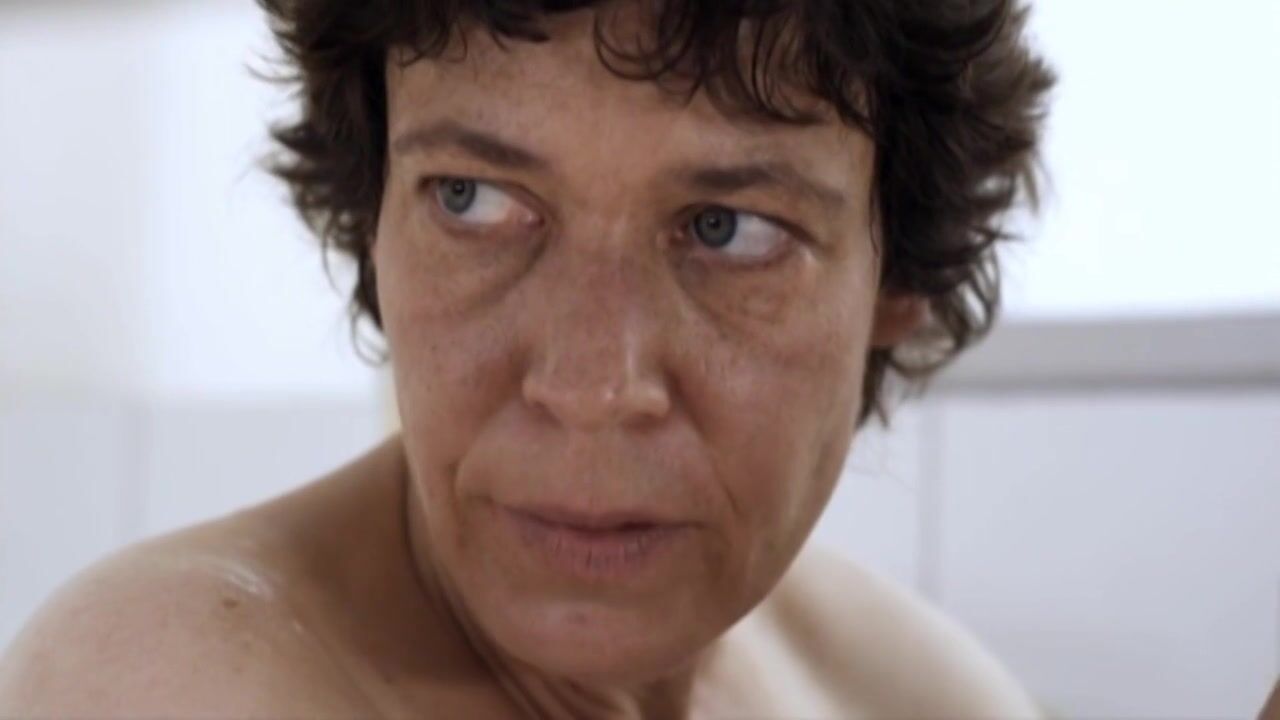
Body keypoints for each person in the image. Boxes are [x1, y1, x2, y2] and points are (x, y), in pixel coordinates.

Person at [0, 0, 1055, 716]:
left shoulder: (920, 695)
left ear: (895, 278)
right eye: (472, 200)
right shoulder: (158, 679)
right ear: (374, 218)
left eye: (727, 228)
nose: (590, 388)